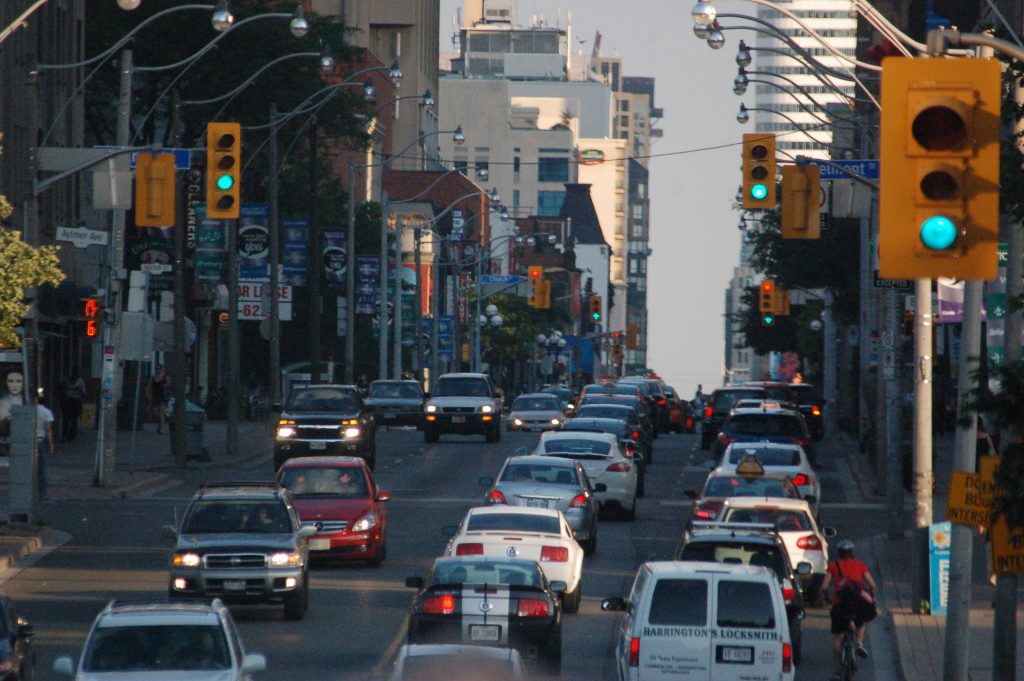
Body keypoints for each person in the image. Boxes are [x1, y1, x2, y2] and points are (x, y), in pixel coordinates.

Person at [821, 539, 877, 680]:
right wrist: (871, 595)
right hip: (857, 603)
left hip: (840, 605)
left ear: (839, 553)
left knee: (838, 640)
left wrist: (827, 598)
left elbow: (824, 587)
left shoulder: (833, 566)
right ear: (852, 553)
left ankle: (838, 672)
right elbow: (872, 585)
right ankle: (859, 642)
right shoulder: (860, 566)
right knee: (861, 621)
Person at [33, 392, 55, 501]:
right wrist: (50, 444)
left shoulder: (30, 411)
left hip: (30, 441)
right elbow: (48, 430)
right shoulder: (47, 412)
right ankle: (42, 493)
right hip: (40, 440)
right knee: (41, 468)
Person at [0, 370, 26, 456]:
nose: (15, 385)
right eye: (11, 381)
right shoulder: (3, 402)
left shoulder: (27, 402)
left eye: (18, 381)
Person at [60, 369, 86, 442]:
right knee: (66, 419)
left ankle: (72, 436)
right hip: (67, 400)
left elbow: (83, 393)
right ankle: (65, 435)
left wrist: (78, 390)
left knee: (74, 420)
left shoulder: (80, 382)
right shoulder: (66, 380)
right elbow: (61, 388)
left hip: (76, 401)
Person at [146, 365, 171, 434]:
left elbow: (169, 385)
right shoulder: (153, 378)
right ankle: (159, 425)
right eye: (156, 369)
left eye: (159, 369)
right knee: (156, 413)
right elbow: (148, 387)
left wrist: (166, 385)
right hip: (155, 397)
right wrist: (148, 396)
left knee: (161, 413)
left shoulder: (165, 377)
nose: (158, 370)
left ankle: (162, 428)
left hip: (163, 397)